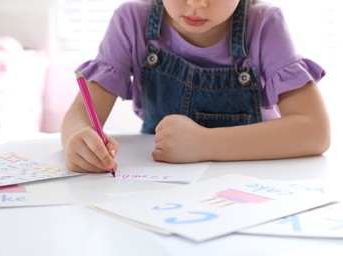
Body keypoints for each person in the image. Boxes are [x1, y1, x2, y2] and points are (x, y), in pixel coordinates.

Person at [61, 0, 330, 173]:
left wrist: (205, 144)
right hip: (160, 187)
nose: (196, 4)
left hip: (248, 180)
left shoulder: (264, 24)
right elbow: (81, 115)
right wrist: (78, 139)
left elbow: (315, 131)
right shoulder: (131, 21)